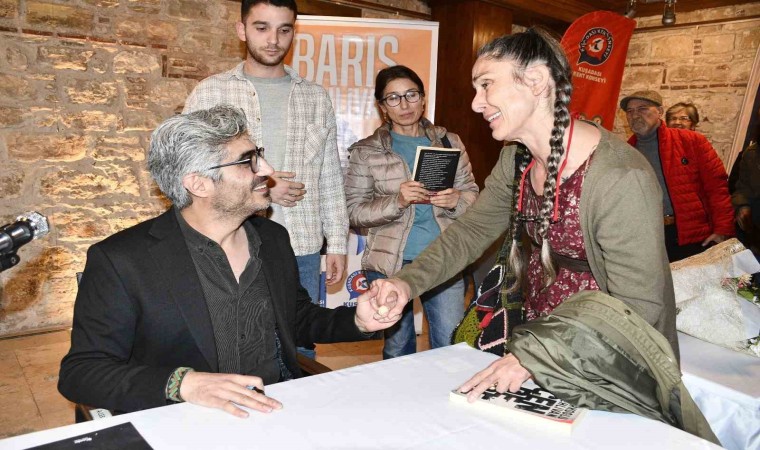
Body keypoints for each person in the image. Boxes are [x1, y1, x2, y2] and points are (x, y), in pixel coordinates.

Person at [369, 29, 677, 400]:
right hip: (536, 334)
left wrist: (541, 355)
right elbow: (470, 233)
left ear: (536, 80)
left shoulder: (621, 177)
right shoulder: (517, 159)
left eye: (486, 85)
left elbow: (640, 307)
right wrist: (406, 284)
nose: (476, 104)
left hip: (603, 354)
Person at [58, 106, 397, 418]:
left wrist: (357, 321)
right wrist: (184, 384)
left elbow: (295, 318)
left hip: (276, 407)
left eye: (259, 155)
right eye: (248, 161)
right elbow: (81, 372)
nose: (267, 170)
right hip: (186, 420)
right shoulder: (122, 260)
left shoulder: (272, 238)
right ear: (198, 183)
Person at [184, 0, 348, 358]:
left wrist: (337, 242)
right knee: (231, 345)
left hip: (301, 246)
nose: (273, 40)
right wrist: (265, 190)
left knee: (299, 347)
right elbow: (192, 172)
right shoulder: (210, 93)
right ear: (242, 30)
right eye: (261, 27)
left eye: (284, 29)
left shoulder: (315, 97)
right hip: (228, 244)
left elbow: (330, 175)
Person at [345, 65, 479, 359]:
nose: (404, 105)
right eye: (393, 98)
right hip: (390, 262)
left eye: (411, 95)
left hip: (443, 257)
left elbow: (473, 196)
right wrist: (398, 201)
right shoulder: (367, 151)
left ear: (423, 98)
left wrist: (456, 199)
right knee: (397, 348)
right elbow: (353, 211)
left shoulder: (449, 141)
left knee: (449, 344)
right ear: (382, 107)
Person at [622, 90, 734, 262]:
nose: (635, 115)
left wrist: (722, 230)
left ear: (660, 112)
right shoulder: (625, 152)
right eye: (630, 111)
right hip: (644, 237)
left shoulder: (692, 141)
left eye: (642, 108)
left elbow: (717, 188)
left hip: (689, 236)